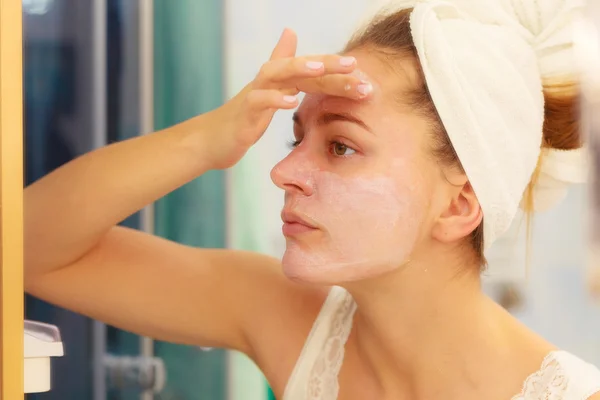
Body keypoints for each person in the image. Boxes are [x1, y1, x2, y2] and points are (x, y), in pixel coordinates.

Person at [24, 0, 600, 399]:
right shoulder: (285, 317)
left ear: (457, 207)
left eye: (342, 146)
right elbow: (26, 249)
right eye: (296, 137)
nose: (283, 172)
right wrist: (206, 141)